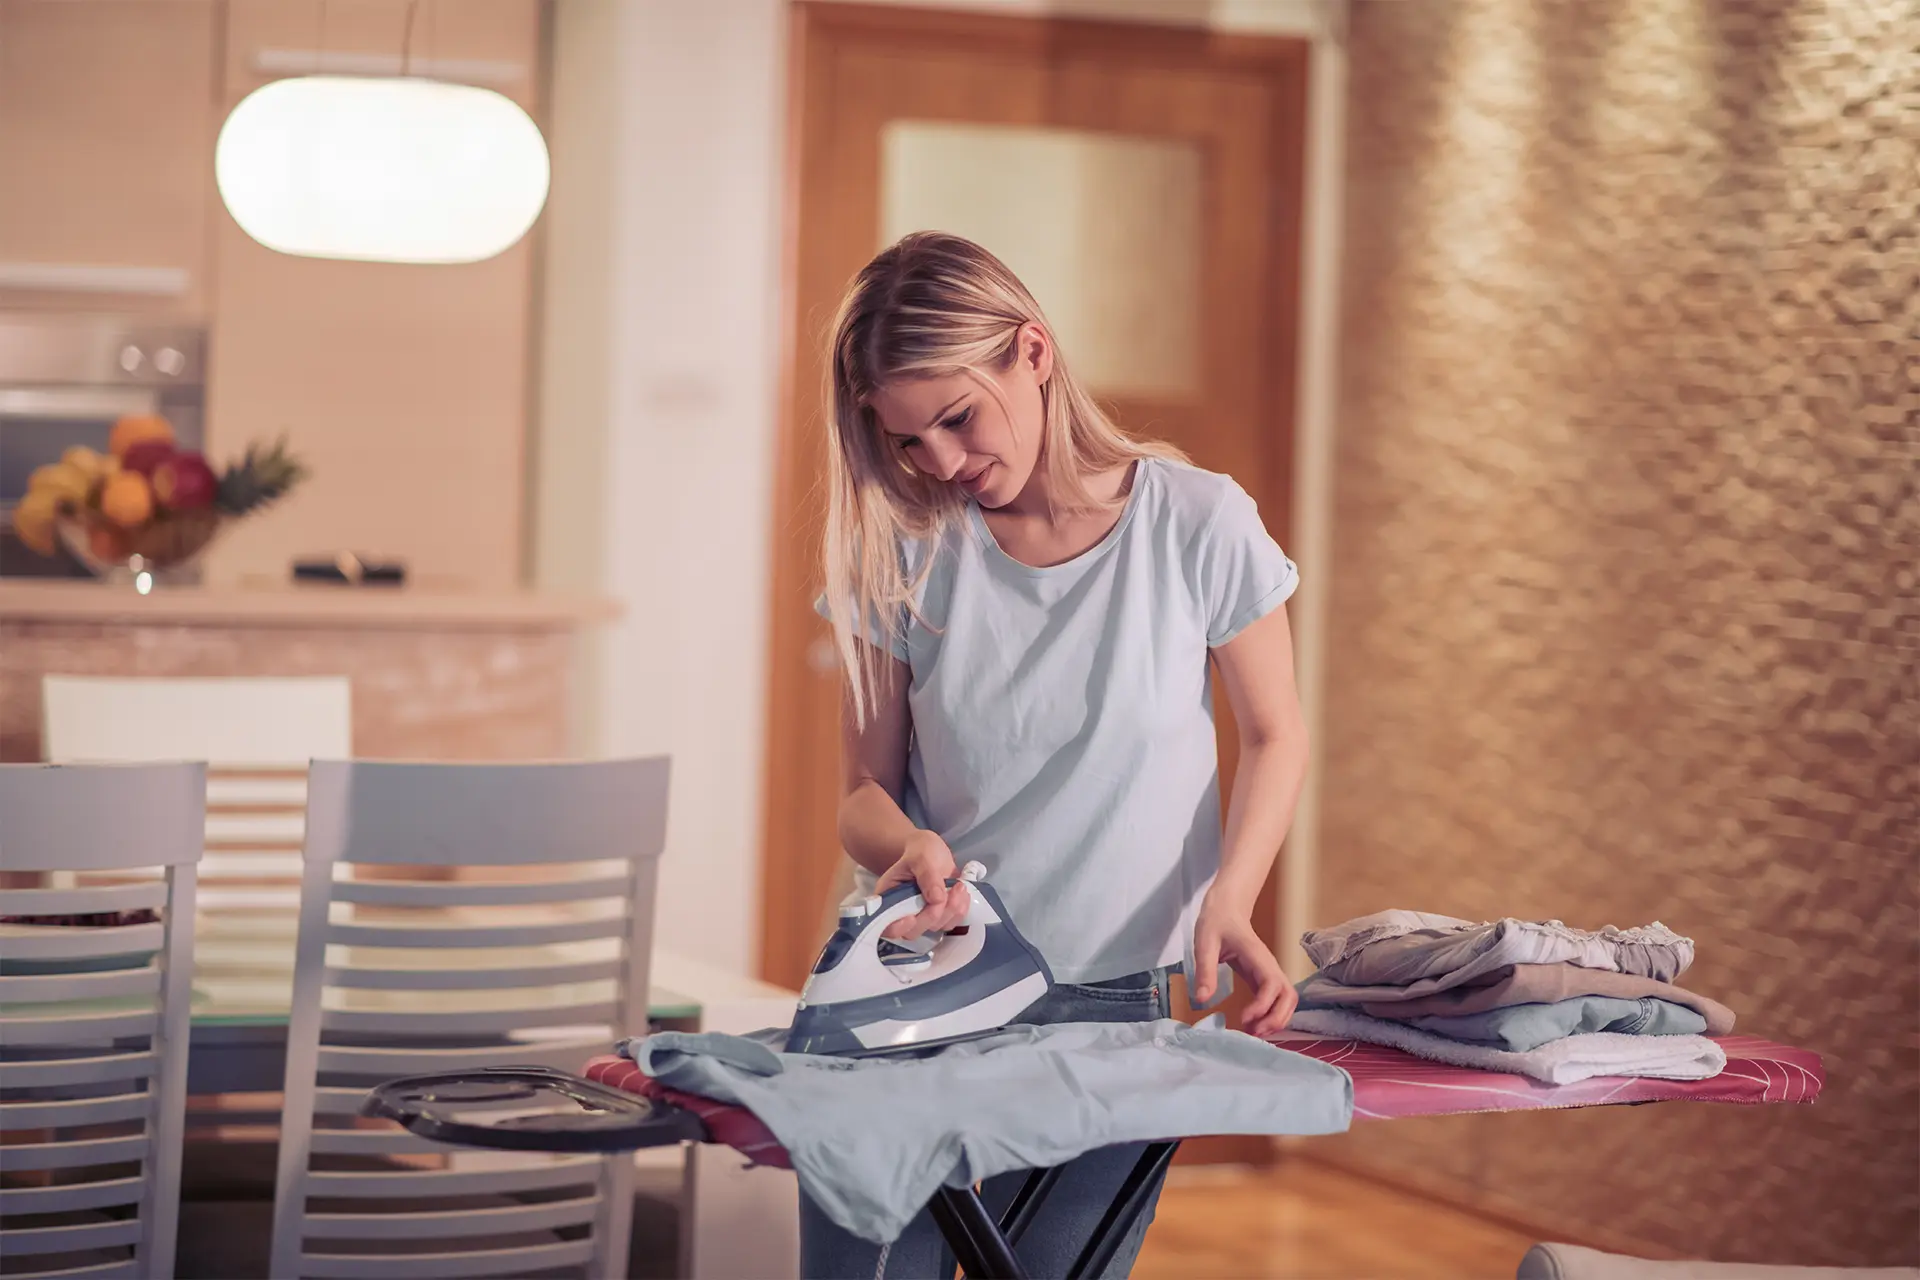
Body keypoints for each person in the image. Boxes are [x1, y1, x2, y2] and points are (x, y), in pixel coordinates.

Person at [808, 231, 1310, 1278]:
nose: (941, 462)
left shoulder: (1197, 523)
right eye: (907, 441)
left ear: (1031, 353)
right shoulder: (907, 548)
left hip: (1113, 993)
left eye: (956, 418)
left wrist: (1231, 898)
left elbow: (1276, 733)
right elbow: (863, 791)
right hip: (921, 976)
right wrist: (906, 843)